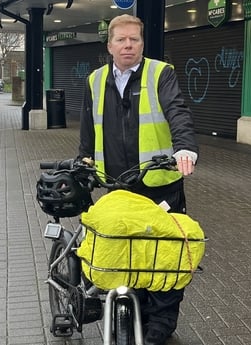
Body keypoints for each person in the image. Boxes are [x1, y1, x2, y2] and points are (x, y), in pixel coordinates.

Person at [78, 14, 198, 345]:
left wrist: (185, 148)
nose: (128, 45)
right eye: (121, 40)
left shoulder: (161, 73)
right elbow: (88, 128)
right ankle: (129, 310)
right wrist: (83, 160)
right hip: (117, 184)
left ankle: (160, 321)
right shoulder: (95, 80)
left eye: (134, 39)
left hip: (160, 182)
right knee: (124, 250)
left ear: (142, 43)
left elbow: (178, 112)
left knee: (167, 255)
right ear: (110, 45)